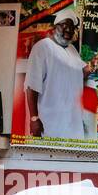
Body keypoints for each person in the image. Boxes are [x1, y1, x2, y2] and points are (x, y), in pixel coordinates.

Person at [25, 7, 86, 139]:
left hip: (73, 125)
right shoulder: (42, 47)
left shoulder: (72, 50)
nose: (68, 30)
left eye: (71, 27)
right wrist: (34, 118)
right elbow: (31, 86)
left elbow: (79, 74)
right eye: (64, 26)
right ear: (54, 27)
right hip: (50, 125)